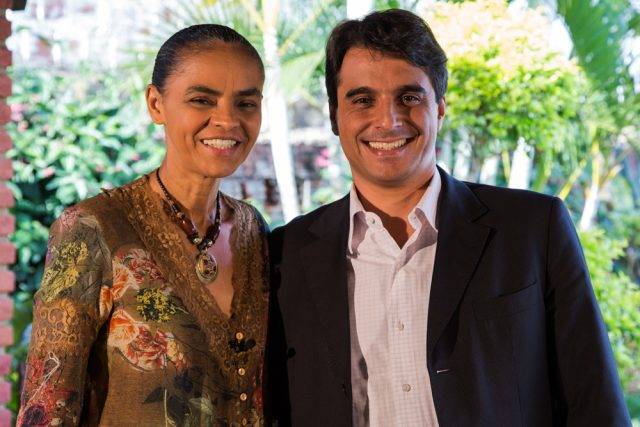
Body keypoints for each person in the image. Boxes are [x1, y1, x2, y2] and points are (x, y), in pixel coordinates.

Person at [266, 9, 631, 426]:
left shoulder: (532, 229)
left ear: (440, 108)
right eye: (363, 100)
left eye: (409, 97)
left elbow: (595, 402)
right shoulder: (286, 254)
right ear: (334, 116)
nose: (387, 121)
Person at [18, 24, 268, 426]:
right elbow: (46, 408)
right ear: (156, 104)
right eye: (202, 100)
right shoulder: (93, 229)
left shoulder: (253, 232)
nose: (227, 120)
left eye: (246, 103)